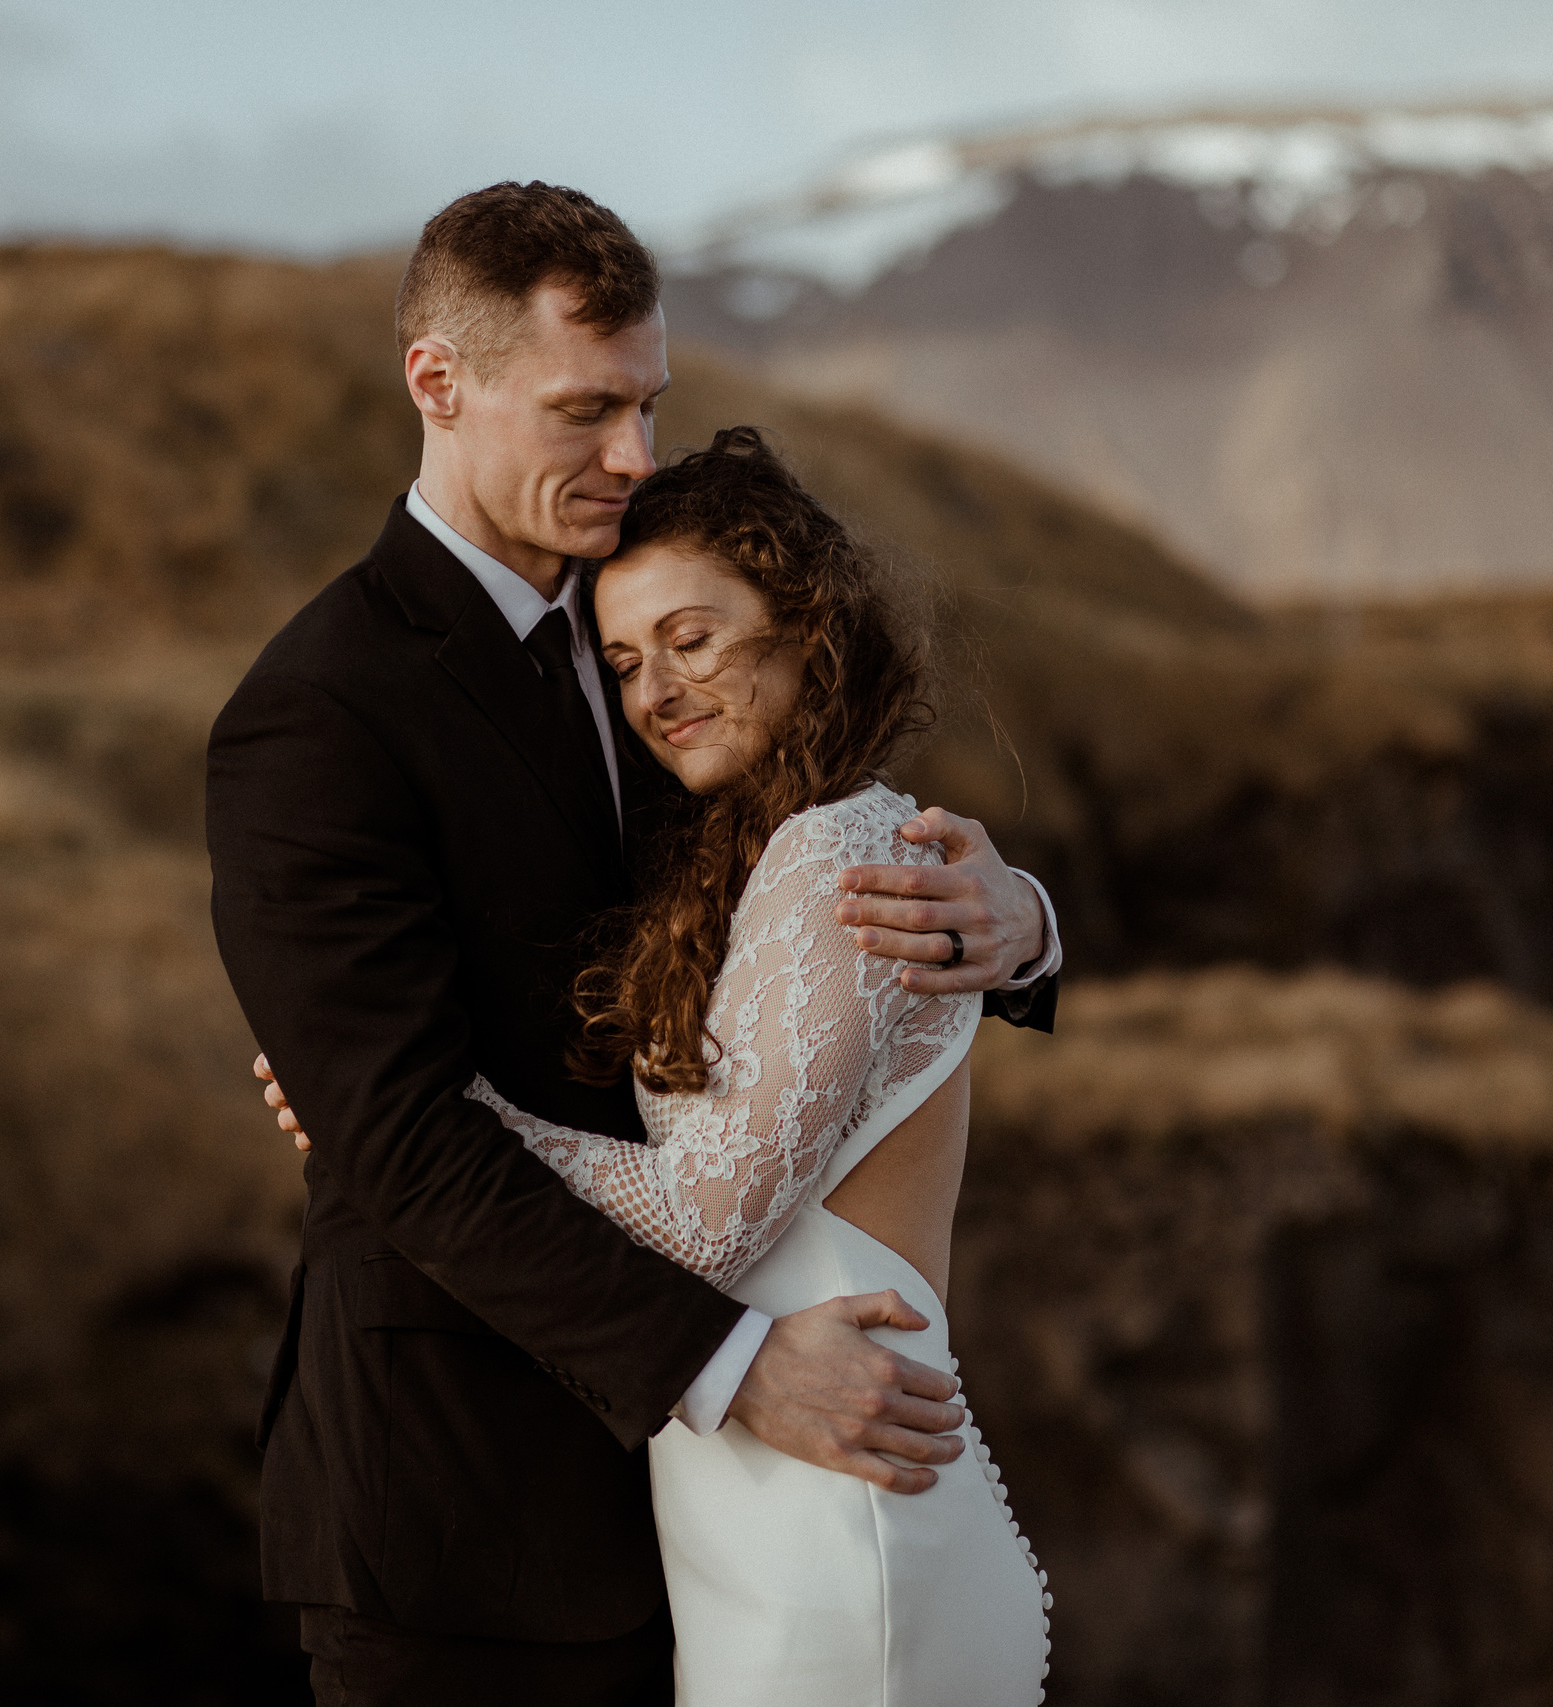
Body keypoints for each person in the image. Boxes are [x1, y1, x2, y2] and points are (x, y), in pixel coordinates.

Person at [204, 181, 1062, 1707]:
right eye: (587, 410)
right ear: (439, 383)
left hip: (703, 1524)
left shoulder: (652, 638)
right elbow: (401, 1139)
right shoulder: (317, 714)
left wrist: (1026, 928)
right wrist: (728, 1364)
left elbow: (809, 904)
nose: (634, 457)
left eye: (650, 405)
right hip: (462, 1514)